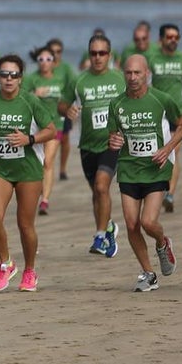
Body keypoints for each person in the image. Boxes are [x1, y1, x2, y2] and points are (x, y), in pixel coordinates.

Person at [107, 55, 182, 292]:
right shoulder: (117, 104)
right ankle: (148, 273)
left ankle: (163, 244)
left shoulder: (161, 99)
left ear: (147, 74)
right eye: (128, 73)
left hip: (156, 169)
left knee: (148, 222)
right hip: (129, 170)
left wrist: (167, 148)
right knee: (132, 225)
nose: (132, 78)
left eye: (137, 73)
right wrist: (113, 141)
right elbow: (112, 136)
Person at [0, 54, 57, 292]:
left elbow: (51, 130)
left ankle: (30, 270)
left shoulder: (30, 102)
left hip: (28, 169)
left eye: (14, 75)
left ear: (21, 78)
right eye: (4, 74)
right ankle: (6, 263)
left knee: (25, 225)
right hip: (0, 168)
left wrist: (29, 139)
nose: (8, 79)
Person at [60, 34, 124, 256]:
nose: (98, 57)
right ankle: (109, 227)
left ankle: (99, 237)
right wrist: (67, 111)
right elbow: (62, 103)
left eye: (102, 53)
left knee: (101, 186)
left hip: (112, 144)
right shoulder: (79, 81)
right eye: (94, 53)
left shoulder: (120, 79)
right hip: (87, 146)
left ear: (110, 55)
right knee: (97, 194)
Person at [145, 24, 182, 212]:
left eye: (176, 37)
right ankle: (154, 190)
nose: (173, 40)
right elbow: (144, 82)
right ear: (161, 39)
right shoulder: (152, 58)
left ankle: (170, 194)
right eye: (169, 37)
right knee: (156, 153)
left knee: (172, 154)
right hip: (157, 114)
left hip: (178, 113)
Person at [22, 45, 63, 215]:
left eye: (48, 59)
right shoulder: (31, 79)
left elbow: (69, 98)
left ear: (54, 62)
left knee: (48, 162)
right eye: (41, 59)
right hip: (36, 128)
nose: (45, 63)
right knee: (37, 163)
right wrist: (34, 94)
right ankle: (37, 190)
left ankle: (44, 200)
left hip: (55, 126)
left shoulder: (60, 79)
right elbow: (21, 99)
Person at [47, 38, 77, 181]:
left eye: (58, 51)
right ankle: (47, 168)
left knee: (64, 139)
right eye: (53, 52)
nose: (56, 54)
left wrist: (70, 104)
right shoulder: (45, 66)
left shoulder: (66, 68)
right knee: (47, 139)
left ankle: (63, 169)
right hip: (46, 110)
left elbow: (74, 85)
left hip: (62, 109)